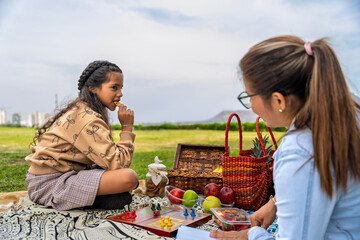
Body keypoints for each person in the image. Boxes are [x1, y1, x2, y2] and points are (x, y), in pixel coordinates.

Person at [210, 36, 360, 239]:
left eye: (250, 96)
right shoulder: (348, 108)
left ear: (278, 100)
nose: (251, 106)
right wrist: (276, 203)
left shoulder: (299, 152)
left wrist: (250, 235)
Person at [25, 60, 139, 211]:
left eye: (121, 88)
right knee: (129, 178)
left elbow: (106, 160)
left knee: (122, 189)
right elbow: (119, 164)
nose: (120, 94)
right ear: (93, 88)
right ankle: (98, 199)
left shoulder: (85, 110)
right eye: (114, 88)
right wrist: (127, 127)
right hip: (49, 184)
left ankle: (97, 199)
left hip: (64, 176)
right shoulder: (88, 119)